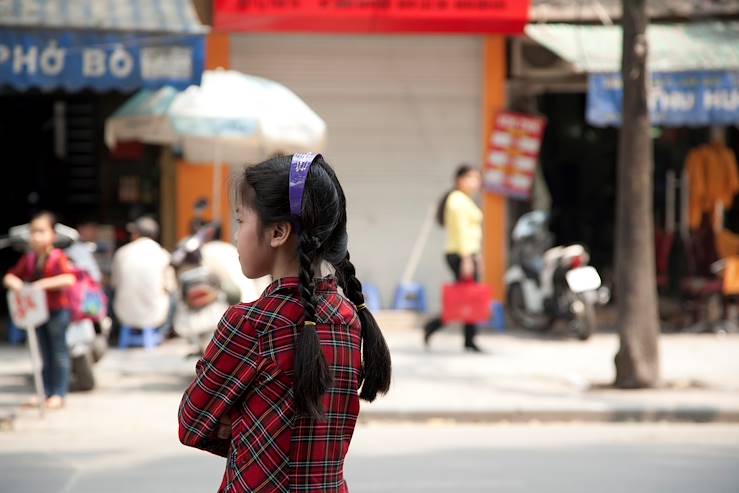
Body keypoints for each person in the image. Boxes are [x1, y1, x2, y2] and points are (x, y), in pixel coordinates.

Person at [178, 154, 392, 493]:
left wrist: (240, 422)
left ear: (278, 232)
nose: (235, 235)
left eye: (240, 221)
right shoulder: (347, 319)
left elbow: (192, 423)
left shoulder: (249, 324)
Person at [3, 212, 76, 409]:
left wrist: (42, 284)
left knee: (58, 353)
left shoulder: (58, 257)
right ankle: (44, 392)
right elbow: (10, 276)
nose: (36, 236)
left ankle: (58, 394)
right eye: (33, 231)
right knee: (42, 353)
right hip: (37, 312)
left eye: (41, 231)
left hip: (57, 311)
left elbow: (69, 279)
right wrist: (16, 284)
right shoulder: (29, 259)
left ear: (52, 234)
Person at [423, 164, 484, 352]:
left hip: (467, 253)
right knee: (465, 298)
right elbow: (461, 231)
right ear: (460, 180)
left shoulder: (464, 200)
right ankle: (435, 326)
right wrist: (467, 258)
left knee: (468, 298)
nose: (476, 182)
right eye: (472, 178)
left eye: (477, 178)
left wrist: (477, 256)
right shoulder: (457, 200)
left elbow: (472, 233)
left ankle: (469, 339)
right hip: (460, 254)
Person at [111, 217, 176, 335]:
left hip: (124, 315)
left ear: (136, 234)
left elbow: (114, 283)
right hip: (155, 315)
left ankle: (115, 333)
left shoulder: (121, 253)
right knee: (174, 294)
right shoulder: (162, 254)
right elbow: (170, 286)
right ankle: (162, 334)